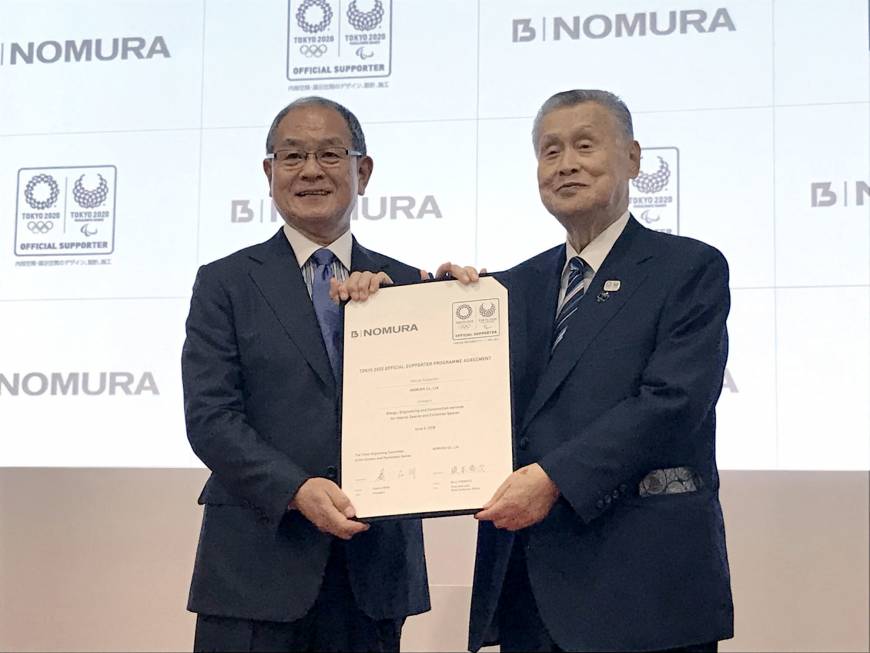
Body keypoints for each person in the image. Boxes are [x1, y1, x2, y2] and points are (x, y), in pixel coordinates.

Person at [467, 89, 735, 652]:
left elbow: (673, 401)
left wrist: (554, 478)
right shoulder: (511, 288)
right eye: (549, 151)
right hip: (531, 587)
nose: (565, 164)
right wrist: (421, 306)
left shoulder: (689, 269)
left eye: (584, 145)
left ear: (633, 158)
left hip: (645, 586)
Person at [181, 96, 430, 652]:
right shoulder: (225, 283)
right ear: (270, 173)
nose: (311, 170)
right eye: (292, 156)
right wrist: (294, 490)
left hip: (373, 571)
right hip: (255, 568)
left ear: (362, 171)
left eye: (330, 153)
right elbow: (210, 418)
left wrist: (463, 303)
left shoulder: (408, 286)